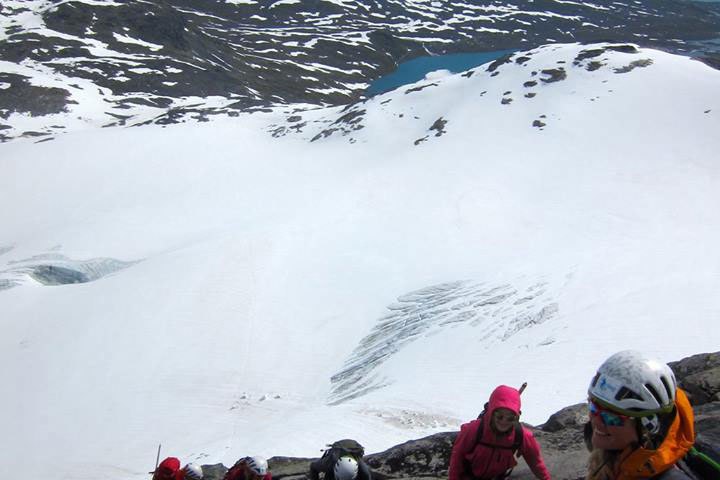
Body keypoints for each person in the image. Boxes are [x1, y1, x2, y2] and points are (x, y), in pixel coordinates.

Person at [585, 350, 695, 480]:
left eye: (611, 418)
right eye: (593, 408)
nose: (596, 421)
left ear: (648, 426)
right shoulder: (614, 452)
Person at [448, 385, 551, 480]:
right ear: (491, 412)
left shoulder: (521, 435)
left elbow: (536, 463)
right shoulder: (472, 430)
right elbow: (456, 460)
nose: (504, 422)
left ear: (516, 417)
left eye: (510, 418)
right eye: (500, 416)